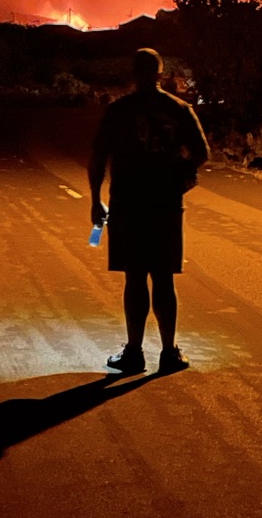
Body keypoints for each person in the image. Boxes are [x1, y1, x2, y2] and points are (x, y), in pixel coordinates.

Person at [88, 47, 209, 375]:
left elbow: (99, 156)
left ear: (134, 73)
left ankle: (134, 351)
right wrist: (180, 174)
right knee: (164, 278)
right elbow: (201, 151)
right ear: (159, 73)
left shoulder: (119, 111)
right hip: (165, 204)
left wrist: (95, 198)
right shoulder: (178, 109)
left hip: (128, 203)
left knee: (135, 277)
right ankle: (169, 352)